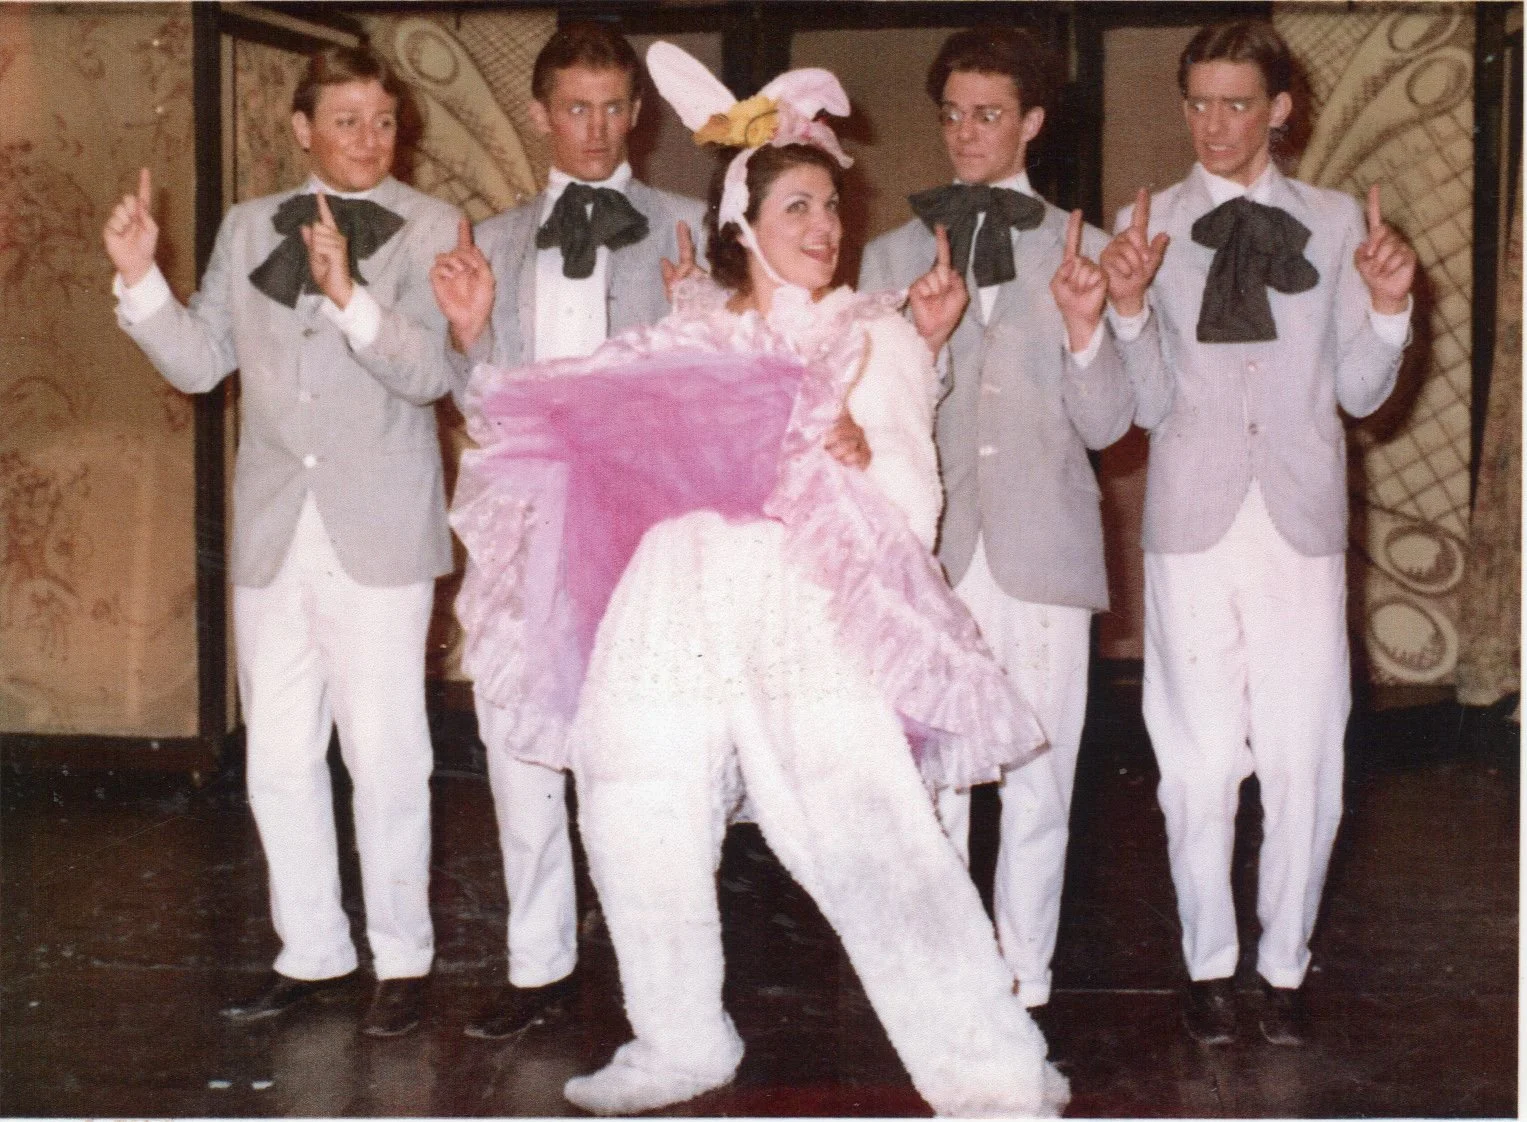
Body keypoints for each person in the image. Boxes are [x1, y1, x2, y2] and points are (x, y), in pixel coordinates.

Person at [452, 41, 1066, 1116]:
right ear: (744, 222)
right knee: (633, 799)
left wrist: (853, 462)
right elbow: (604, 451)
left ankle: (988, 1065)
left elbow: (915, 509)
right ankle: (678, 1036)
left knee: (867, 828)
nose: (823, 227)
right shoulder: (691, 334)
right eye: (796, 207)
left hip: (807, 603)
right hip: (677, 595)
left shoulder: (875, 336)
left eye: (830, 206)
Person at [102, 45, 461, 1037]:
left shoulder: (433, 226)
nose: (369, 139)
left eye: (383, 121)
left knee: (387, 756)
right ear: (302, 129)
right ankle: (312, 952)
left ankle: (403, 959)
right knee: (277, 758)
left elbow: (430, 374)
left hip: (379, 532)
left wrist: (350, 298)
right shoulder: (248, 224)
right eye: (346, 121)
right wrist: (140, 280)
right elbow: (200, 363)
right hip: (271, 530)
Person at [1099, 20, 1416, 1047]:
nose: (1214, 125)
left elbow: (1361, 392)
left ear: (1279, 109)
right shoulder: (1142, 226)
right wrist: (1129, 310)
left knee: (1303, 759)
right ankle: (1208, 962)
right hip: (1191, 523)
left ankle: (1284, 967)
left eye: (1237, 104)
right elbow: (1146, 404)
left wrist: (1387, 307)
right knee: (1195, 766)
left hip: (1299, 525)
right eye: (1198, 103)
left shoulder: (1335, 222)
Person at [427, 21, 711, 1043]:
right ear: (541, 113)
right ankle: (537, 965)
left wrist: (698, 318)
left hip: (643, 526)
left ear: (639, 115)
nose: (595, 129)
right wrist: (469, 337)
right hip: (528, 521)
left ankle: (660, 966)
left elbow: (717, 386)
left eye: (613, 108)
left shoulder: (691, 226)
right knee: (518, 738)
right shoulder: (494, 241)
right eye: (575, 109)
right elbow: (478, 406)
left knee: (646, 746)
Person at [860, 26, 1134, 1018]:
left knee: (1038, 781)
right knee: (932, 779)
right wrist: (926, 348)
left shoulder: (1083, 249)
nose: (966, 133)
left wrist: (1088, 327)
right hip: (930, 553)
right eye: (952, 115)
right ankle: (945, 985)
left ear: (1032, 122)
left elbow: (1109, 423)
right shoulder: (888, 254)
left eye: (988, 115)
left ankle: (1025, 986)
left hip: (1042, 551)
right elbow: (874, 414)